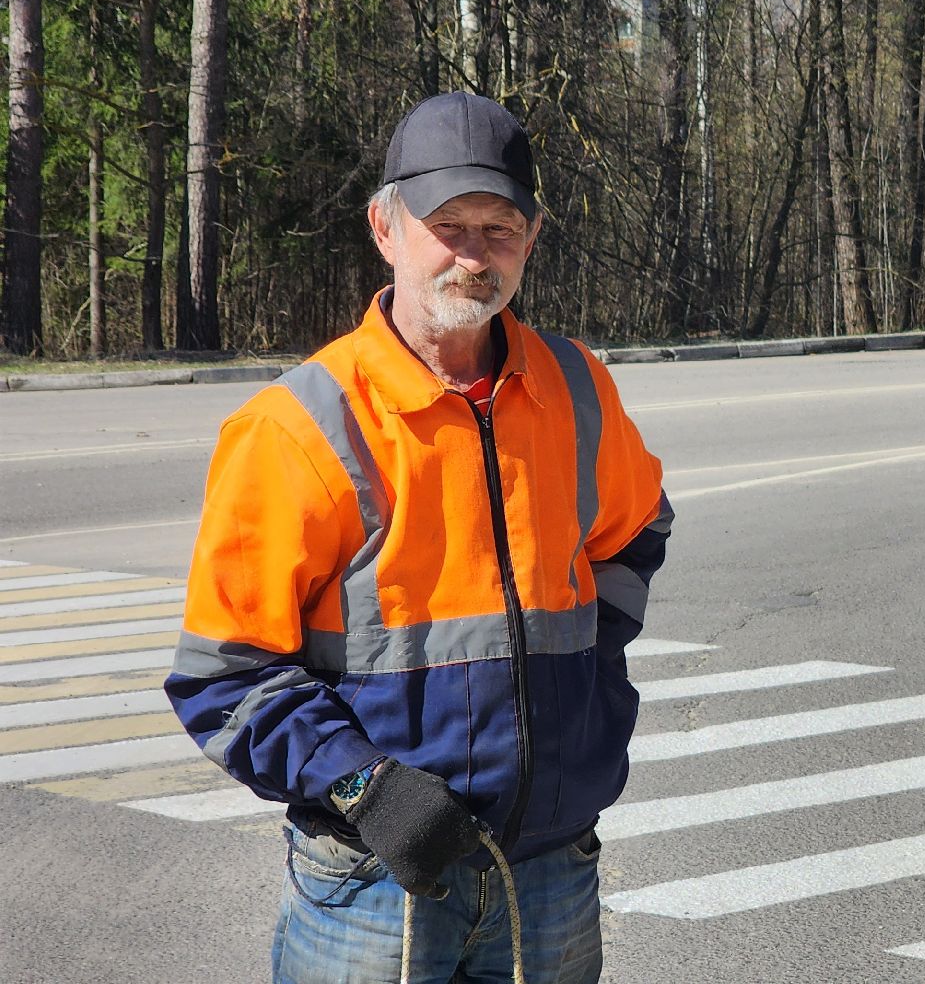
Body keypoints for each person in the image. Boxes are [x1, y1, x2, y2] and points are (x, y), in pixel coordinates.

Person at [164, 92, 673, 984]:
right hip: (372, 883)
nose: (475, 255)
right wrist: (365, 786)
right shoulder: (298, 425)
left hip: (550, 872)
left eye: (500, 226)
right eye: (449, 225)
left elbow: (637, 530)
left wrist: (593, 661)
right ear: (384, 227)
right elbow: (226, 678)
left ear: (534, 235)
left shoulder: (576, 386)